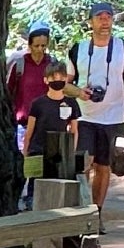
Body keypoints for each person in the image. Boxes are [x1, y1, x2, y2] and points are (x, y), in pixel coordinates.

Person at [64, 1, 124, 217]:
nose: (104, 21)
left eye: (108, 17)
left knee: (103, 166)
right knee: (84, 163)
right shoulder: (78, 49)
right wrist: (79, 92)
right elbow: (64, 83)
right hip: (84, 115)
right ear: (90, 22)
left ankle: (96, 212)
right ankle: (79, 211)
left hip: (113, 116)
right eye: (99, 17)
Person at [7, 22, 54, 209]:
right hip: (22, 121)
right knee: (21, 159)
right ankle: (14, 197)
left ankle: (31, 198)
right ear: (30, 44)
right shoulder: (19, 63)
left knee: (38, 162)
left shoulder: (51, 64)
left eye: (44, 45)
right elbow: (8, 90)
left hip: (44, 122)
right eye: (37, 46)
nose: (40, 50)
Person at [22, 58, 80, 186]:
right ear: (46, 80)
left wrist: (71, 152)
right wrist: (26, 153)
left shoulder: (71, 103)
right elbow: (29, 131)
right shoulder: (38, 103)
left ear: (66, 79)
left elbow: (74, 130)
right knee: (35, 187)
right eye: (53, 78)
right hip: (38, 151)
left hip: (60, 152)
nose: (57, 81)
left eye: (61, 78)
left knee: (57, 187)